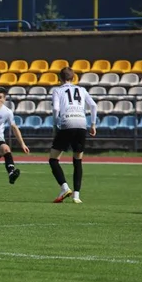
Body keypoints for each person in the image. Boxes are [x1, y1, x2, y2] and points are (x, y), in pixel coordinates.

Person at [48, 66, 97, 204]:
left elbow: (56, 108)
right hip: (81, 124)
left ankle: (64, 187)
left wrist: (55, 124)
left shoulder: (57, 90)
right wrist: (92, 124)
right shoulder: (81, 90)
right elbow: (93, 106)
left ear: (59, 78)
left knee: (53, 159)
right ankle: (76, 196)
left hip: (67, 123)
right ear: (74, 77)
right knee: (77, 160)